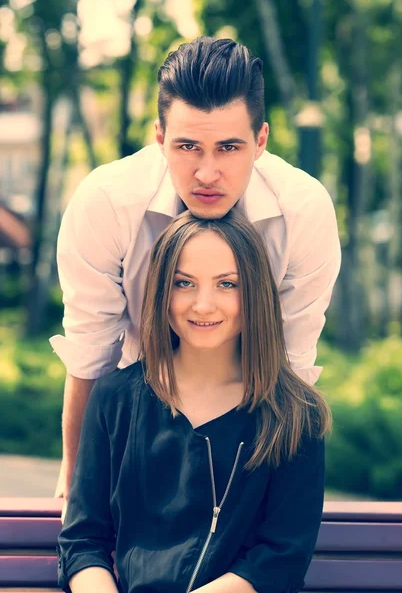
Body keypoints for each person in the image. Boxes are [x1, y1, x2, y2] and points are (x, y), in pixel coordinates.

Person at [50, 36, 340, 504]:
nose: (207, 173)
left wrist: (275, 503)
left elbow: (291, 364)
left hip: (248, 431)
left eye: (228, 147)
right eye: (188, 146)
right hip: (137, 422)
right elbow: (90, 357)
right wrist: (76, 485)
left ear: (261, 140)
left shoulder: (303, 213)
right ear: (160, 138)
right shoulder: (106, 202)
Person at [57, 210, 331, 593]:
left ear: (255, 292)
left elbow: (281, 558)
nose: (203, 305)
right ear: (161, 292)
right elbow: (84, 541)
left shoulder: (294, 414)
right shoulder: (115, 398)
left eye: (227, 284)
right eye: (184, 283)